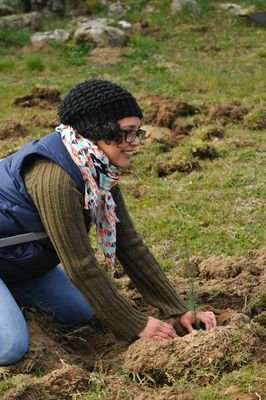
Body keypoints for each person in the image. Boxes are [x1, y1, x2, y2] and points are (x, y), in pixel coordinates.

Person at [0, 78, 216, 365]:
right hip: (13, 256)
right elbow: (79, 265)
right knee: (11, 346)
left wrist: (177, 309)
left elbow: (129, 243)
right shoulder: (54, 178)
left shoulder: (97, 169)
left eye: (138, 133)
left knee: (79, 312)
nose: (135, 143)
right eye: (127, 133)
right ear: (96, 130)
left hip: (13, 260)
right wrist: (135, 324)